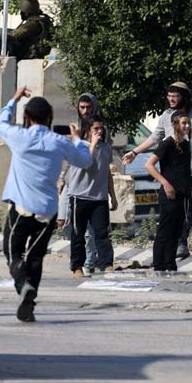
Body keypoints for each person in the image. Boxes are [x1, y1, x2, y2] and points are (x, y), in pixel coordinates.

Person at [0, 87, 92, 322]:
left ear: (28, 117)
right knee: (36, 256)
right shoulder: (59, 141)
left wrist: (15, 98)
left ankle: (23, 286)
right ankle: (30, 301)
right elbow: (85, 160)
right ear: (49, 118)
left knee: (12, 251)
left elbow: (0, 123)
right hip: (48, 210)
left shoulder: (19, 136)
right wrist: (78, 139)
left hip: (21, 207)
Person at [122, 82, 192, 259]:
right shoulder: (166, 115)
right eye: (169, 96)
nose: (171, 99)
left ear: (184, 96)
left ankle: (180, 243)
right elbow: (155, 137)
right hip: (172, 173)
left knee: (188, 209)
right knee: (171, 210)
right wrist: (135, 152)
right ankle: (169, 245)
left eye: (175, 96)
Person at [67, 115, 118, 277]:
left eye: (101, 128)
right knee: (78, 235)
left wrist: (113, 196)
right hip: (79, 197)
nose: (99, 131)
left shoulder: (106, 148)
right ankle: (77, 267)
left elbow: (107, 173)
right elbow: (85, 164)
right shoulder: (78, 145)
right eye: (96, 128)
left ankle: (106, 264)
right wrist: (93, 145)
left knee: (102, 233)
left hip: (99, 198)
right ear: (88, 130)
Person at [58, 93, 103, 276]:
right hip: (71, 182)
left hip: (90, 184)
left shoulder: (98, 128)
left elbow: (103, 154)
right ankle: (81, 258)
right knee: (65, 222)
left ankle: (88, 262)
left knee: (88, 229)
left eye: (88, 107)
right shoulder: (75, 128)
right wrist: (61, 178)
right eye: (82, 107)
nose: (85, 111)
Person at [145, 112, 192, 271]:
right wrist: (165, 183)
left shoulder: (185, 145)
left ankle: (170, 262)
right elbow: (149, 165)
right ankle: (159, 263)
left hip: (182, 194)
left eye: (187, 123)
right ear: (175, 125)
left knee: (176, 229)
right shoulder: (168, 144)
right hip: (169, 193)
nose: (186, 126)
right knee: (165, 229)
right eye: (183, 123)